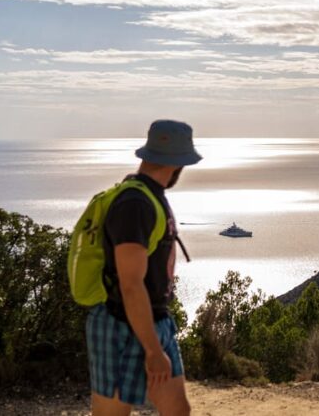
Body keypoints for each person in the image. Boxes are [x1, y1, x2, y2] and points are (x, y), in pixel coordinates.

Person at [87, 120, 201, 416]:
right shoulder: (135, 204)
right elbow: (130, 283)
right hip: (121, 325)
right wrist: (152, 349)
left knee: (177, 410)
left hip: (156, 321)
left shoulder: (151, 196)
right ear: (178, 164)